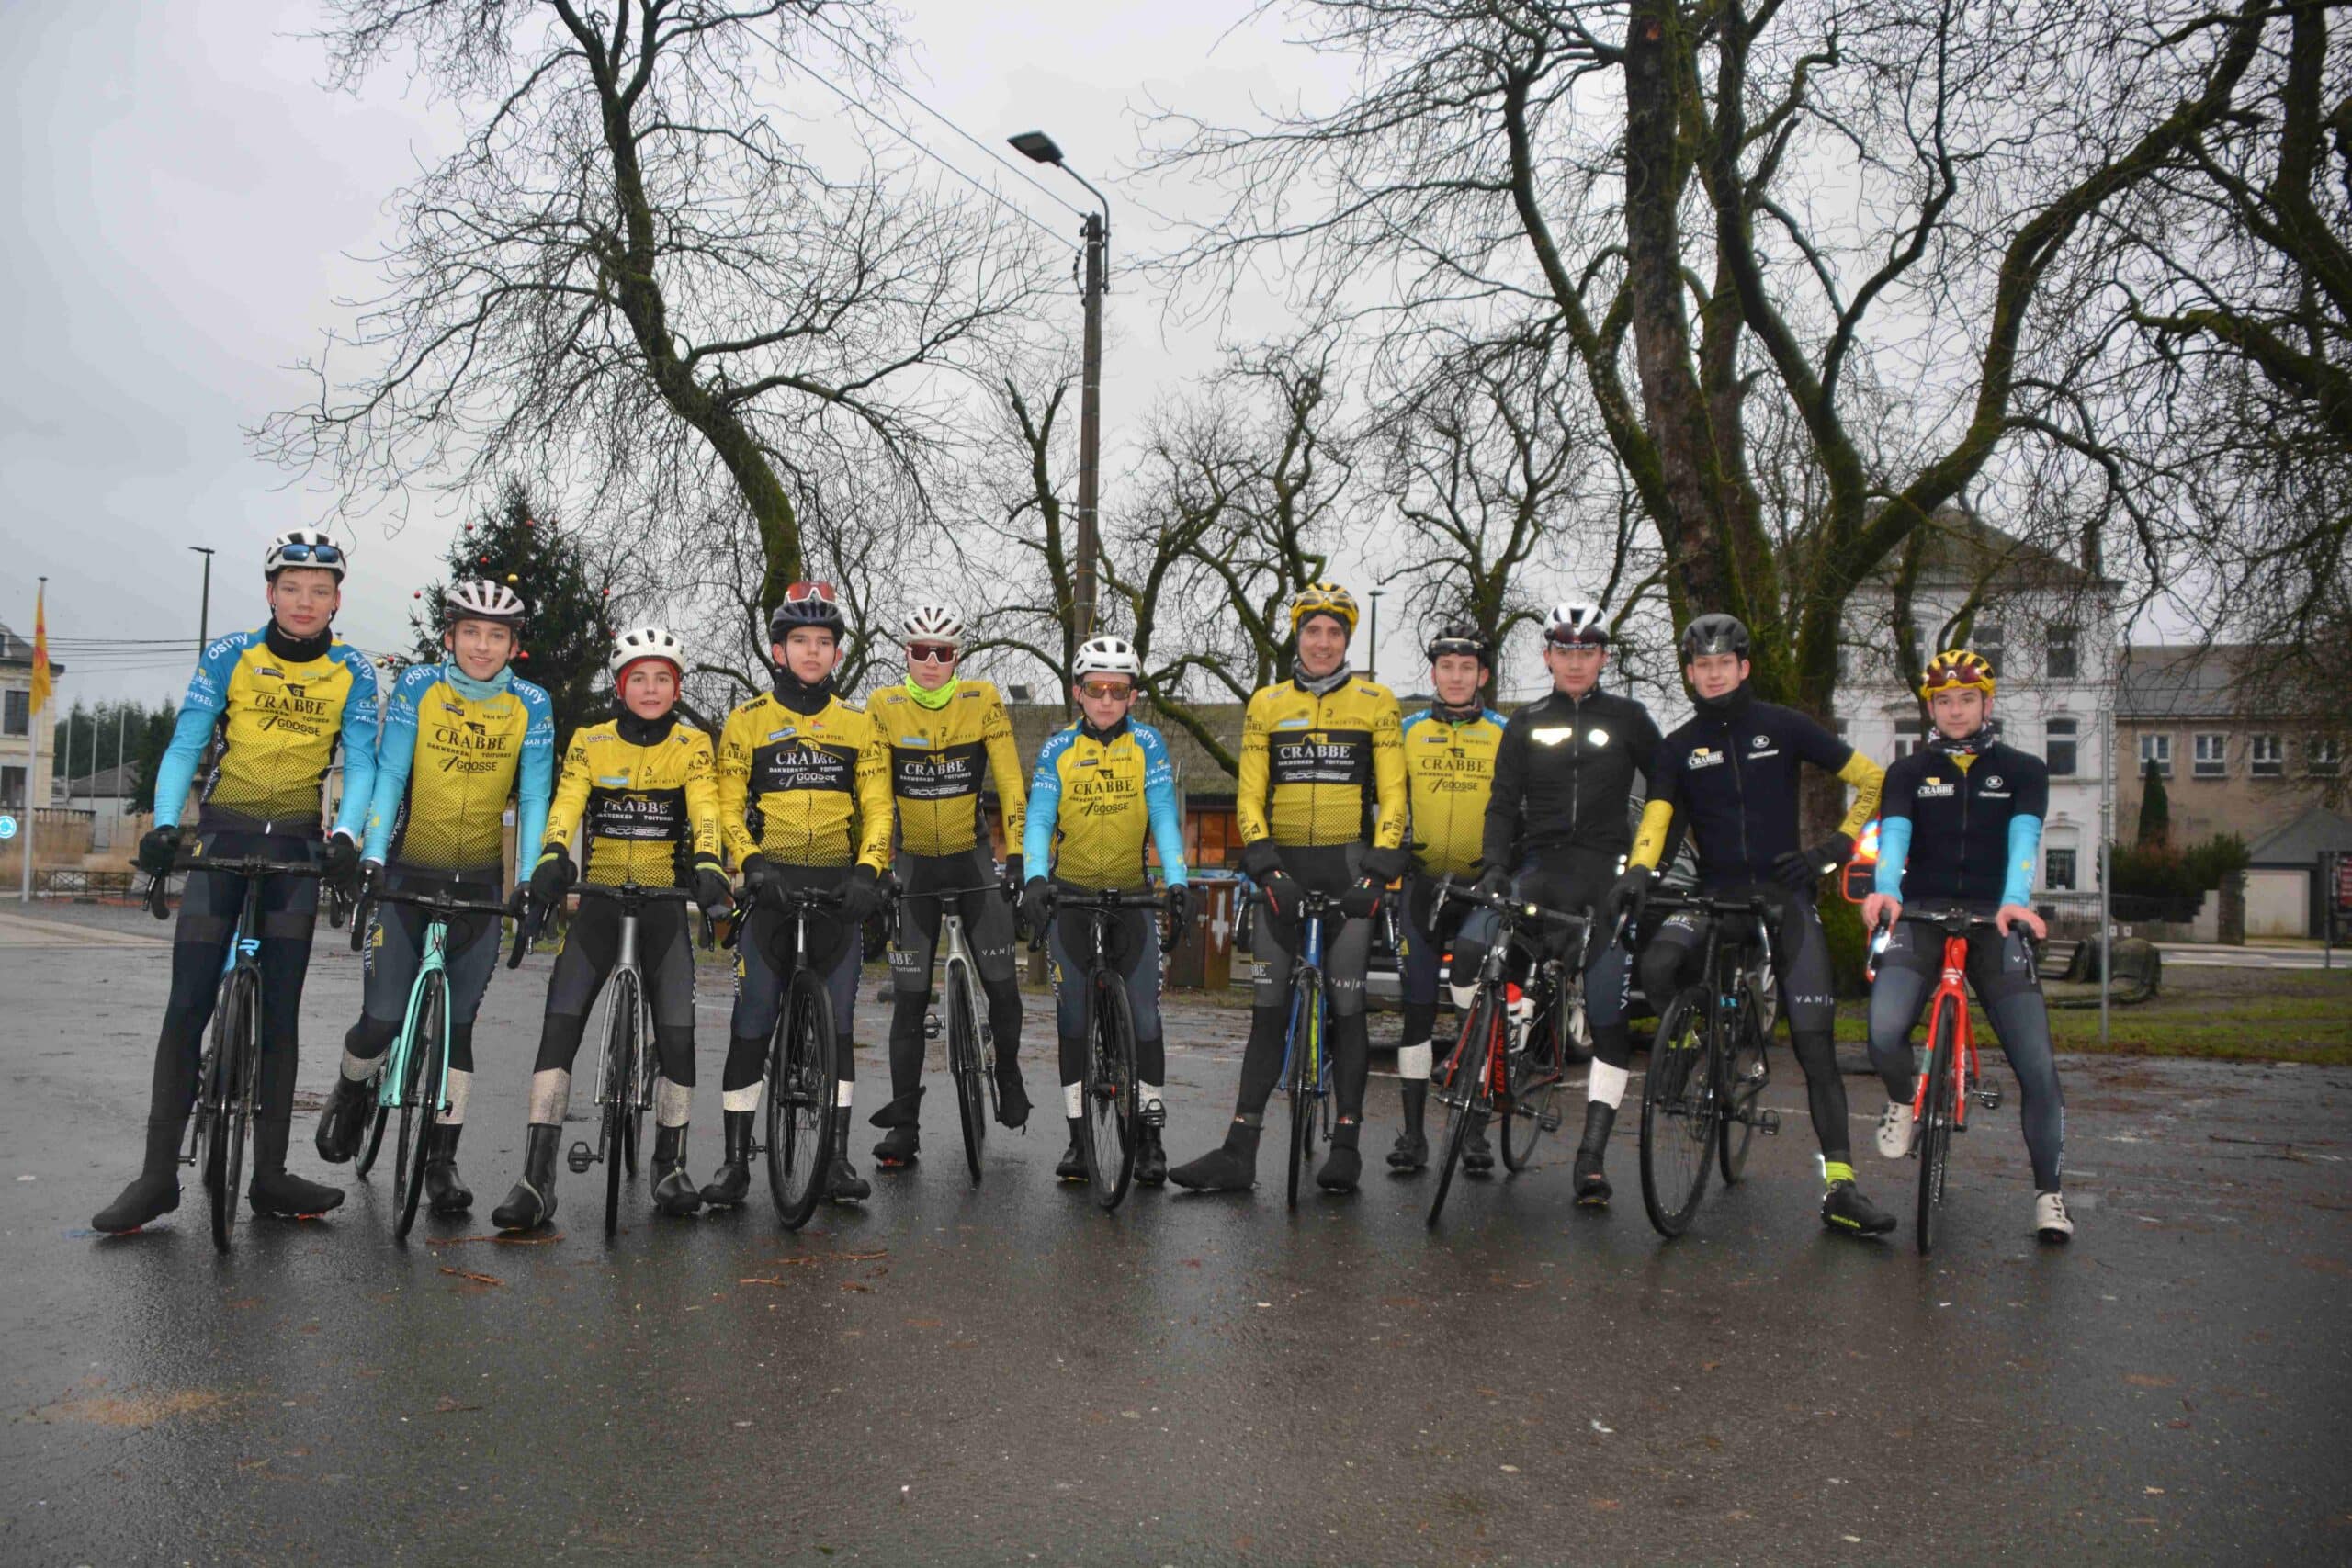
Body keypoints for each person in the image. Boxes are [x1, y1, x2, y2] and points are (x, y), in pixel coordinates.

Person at [95, 528, 379, 1234]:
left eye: (319, 591)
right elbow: (186, 742)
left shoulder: (354, 670)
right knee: (187, 1002)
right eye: (291, 589)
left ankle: (271, 1175)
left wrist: (347, 836)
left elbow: (366, 763)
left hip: (298, 850)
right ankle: (158, 1176)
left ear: (337, 599)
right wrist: (166, 824)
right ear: (270, 593)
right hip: (221, 834)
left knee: (280, 1014)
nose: (304, 602)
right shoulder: (230, 654)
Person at [1608, 613, 1896, 1237]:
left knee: (1815, 1044)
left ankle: (1841, 1185)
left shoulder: (1784, 726)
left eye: (1723, 664)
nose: (1713, 675)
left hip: (1781, 898)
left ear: (1743, 666)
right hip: (1715, 896)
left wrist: (1835, 848)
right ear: (1690, 673)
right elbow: (1658, 817)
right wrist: (1638, 870)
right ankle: (1694, 1044)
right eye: (1701, 666)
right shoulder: (1679, 746)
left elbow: (1875, 781)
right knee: (1658, 964)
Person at [312, 581, 553, 1217]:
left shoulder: (532, 704)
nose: (482, 645)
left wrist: (528, 879)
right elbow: (391, 773)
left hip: (478, 881)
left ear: (513, 645)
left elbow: (533, 799)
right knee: (384, 1018)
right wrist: (369, 855)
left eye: (497, 634)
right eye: (471, 631)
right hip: (407, 874)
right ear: (449, 635)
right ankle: (351, 1088)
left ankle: (441, 1160)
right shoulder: (421, 686)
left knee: (460, 1028)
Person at [1168, 582, 1409, 1195]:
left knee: (1349, 1005)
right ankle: (1238, 1150)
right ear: (1297, 636)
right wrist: (1267, 868)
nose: (1323, 642)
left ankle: (1348, 1142)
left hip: (1349, 866)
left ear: (1346, 639)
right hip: (1285, 873)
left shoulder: (1377, 702)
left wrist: (1378, 873)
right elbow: (1249, 795)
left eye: (1334, 633)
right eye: (1313, 631)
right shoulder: (1267, 704)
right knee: (1267, 1014)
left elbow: (1394, 796)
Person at [490, 626, 728, 1230]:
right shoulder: (590, 739)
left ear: (677, 687)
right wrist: (551, 855)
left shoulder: (694, 743)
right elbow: (568, 802)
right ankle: (536, 1177)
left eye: (663, 678)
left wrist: (706, 860)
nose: (650, 688)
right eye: (638, 678)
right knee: (559, 1028)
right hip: (597, 900)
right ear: (621, 686)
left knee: (679, 1037)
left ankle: (668, 1164)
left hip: (663, 905)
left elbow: (705, 804)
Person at [1453, 603, 1661, 1206]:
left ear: (1602, 656)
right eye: (1564, 650)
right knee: (1476, 951)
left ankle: (1591, 1157)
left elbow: (1668, 793)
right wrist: (1494, 865)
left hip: (1603, 878)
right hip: (1538, 871)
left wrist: (1645, 865)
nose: (1575, 660)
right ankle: (1481, 1095)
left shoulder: (1630, 719)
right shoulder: (1526, 721)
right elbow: (1500, 801)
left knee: (1606, 1014)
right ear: (1547, 656)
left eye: (1587, 650)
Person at [1862, 649, 2071, 1243]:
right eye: (1944, 700)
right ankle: (1905, 1099)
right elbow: (1894, 840)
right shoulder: (1907, 772)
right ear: (1931, 705)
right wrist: (1885, 893)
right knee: (1883, 1030)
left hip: (1994, 917)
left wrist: (2014, 900)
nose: (1955, 710)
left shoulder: (2025, 769)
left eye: (1967, 698)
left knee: (2037, 1064)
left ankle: (2049, 1194)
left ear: (1987, 701)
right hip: (1921, 911)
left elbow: (2025, 838)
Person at [699, 582, 891, 1208]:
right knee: (753, 1017)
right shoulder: (747, 720)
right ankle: (735, 1162)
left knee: (837, 1026)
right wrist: (750, 862)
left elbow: (880, 808)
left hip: (839, 887)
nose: (812, 652)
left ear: (837, 653)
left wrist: (868, 871)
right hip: (770, 884)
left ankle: (834, 1159)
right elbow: (728, 803)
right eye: (800, 641)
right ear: (779, 650)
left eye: (824, 642)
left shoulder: (861, 724)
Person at [1019, 637, 1190, 1185]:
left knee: (1143, 1018)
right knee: (1072, 1020)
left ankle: (1152, 1138)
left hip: (1131, 896)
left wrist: (1178, 881)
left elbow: (1163, 813)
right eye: (1097, 689)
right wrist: (1036, 879)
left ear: (1133, 696)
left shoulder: (1149, 745)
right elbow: (1040, 818)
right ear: (1078, 693)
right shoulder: (1057, 749)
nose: (1107, 700)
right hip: (1071, 897)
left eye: (1119, 690)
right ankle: (1076, 1140)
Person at [866, 603, 1032, 1169]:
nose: (931, 662)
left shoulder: (981, 699)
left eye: (942, 652)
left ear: (957, 656)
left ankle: (1006, 1071)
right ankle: (905, 1129)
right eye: (920, 652)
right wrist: (879, 864)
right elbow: (876, 794)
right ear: (905, 655)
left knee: (1005, 991)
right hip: (914, 864)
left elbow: (1010, 780)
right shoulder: (883, 706)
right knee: (908, 1003)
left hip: (972, 863)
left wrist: (1017, 857)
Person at [1385, 623, 1507, 1174]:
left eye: (1467, 668)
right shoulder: (1407, 731)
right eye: (1446, 667)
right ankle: (1412, 1135)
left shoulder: (1506, 733)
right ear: (1433, 672)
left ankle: (1476, 1131)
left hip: (1482, 891)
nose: (1456, 678)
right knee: (1415, 1014)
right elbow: (1381, 797)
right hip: (1423, 885)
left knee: (1476, 1011)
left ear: (1482, 675)